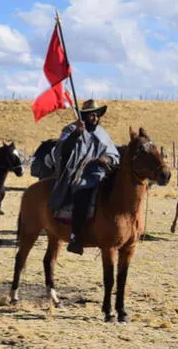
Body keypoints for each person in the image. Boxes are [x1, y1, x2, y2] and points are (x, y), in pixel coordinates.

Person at [50, 100, 120, 255]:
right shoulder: (71, 128)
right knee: (83, 192)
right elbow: (61, 150)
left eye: (97, 115)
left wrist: (106, 159)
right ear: (85, 115)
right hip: (79, 173)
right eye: (91, 115)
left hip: (101, 172)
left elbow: (113, 153)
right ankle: (76, 236)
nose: (94, 118)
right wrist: (75, 135)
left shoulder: (102, 133)